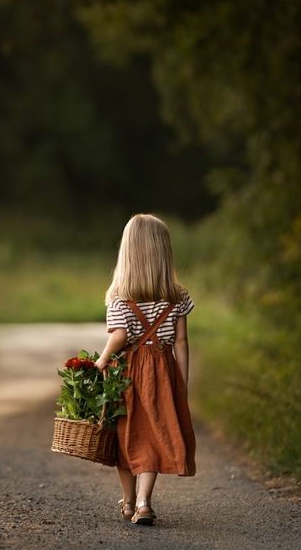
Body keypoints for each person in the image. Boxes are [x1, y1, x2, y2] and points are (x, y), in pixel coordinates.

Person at [95, 213, 196, 526]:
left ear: (128, 252)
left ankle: (128, 500)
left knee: (125, 433)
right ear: (163, 252)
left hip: (127, 372)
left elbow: (121, 336)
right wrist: (182, 380)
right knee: (153, 432)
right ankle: (143, 502)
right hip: (163, 370)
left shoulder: (120, 297)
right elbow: (181, 342)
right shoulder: (177, 296)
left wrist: (100, 361)